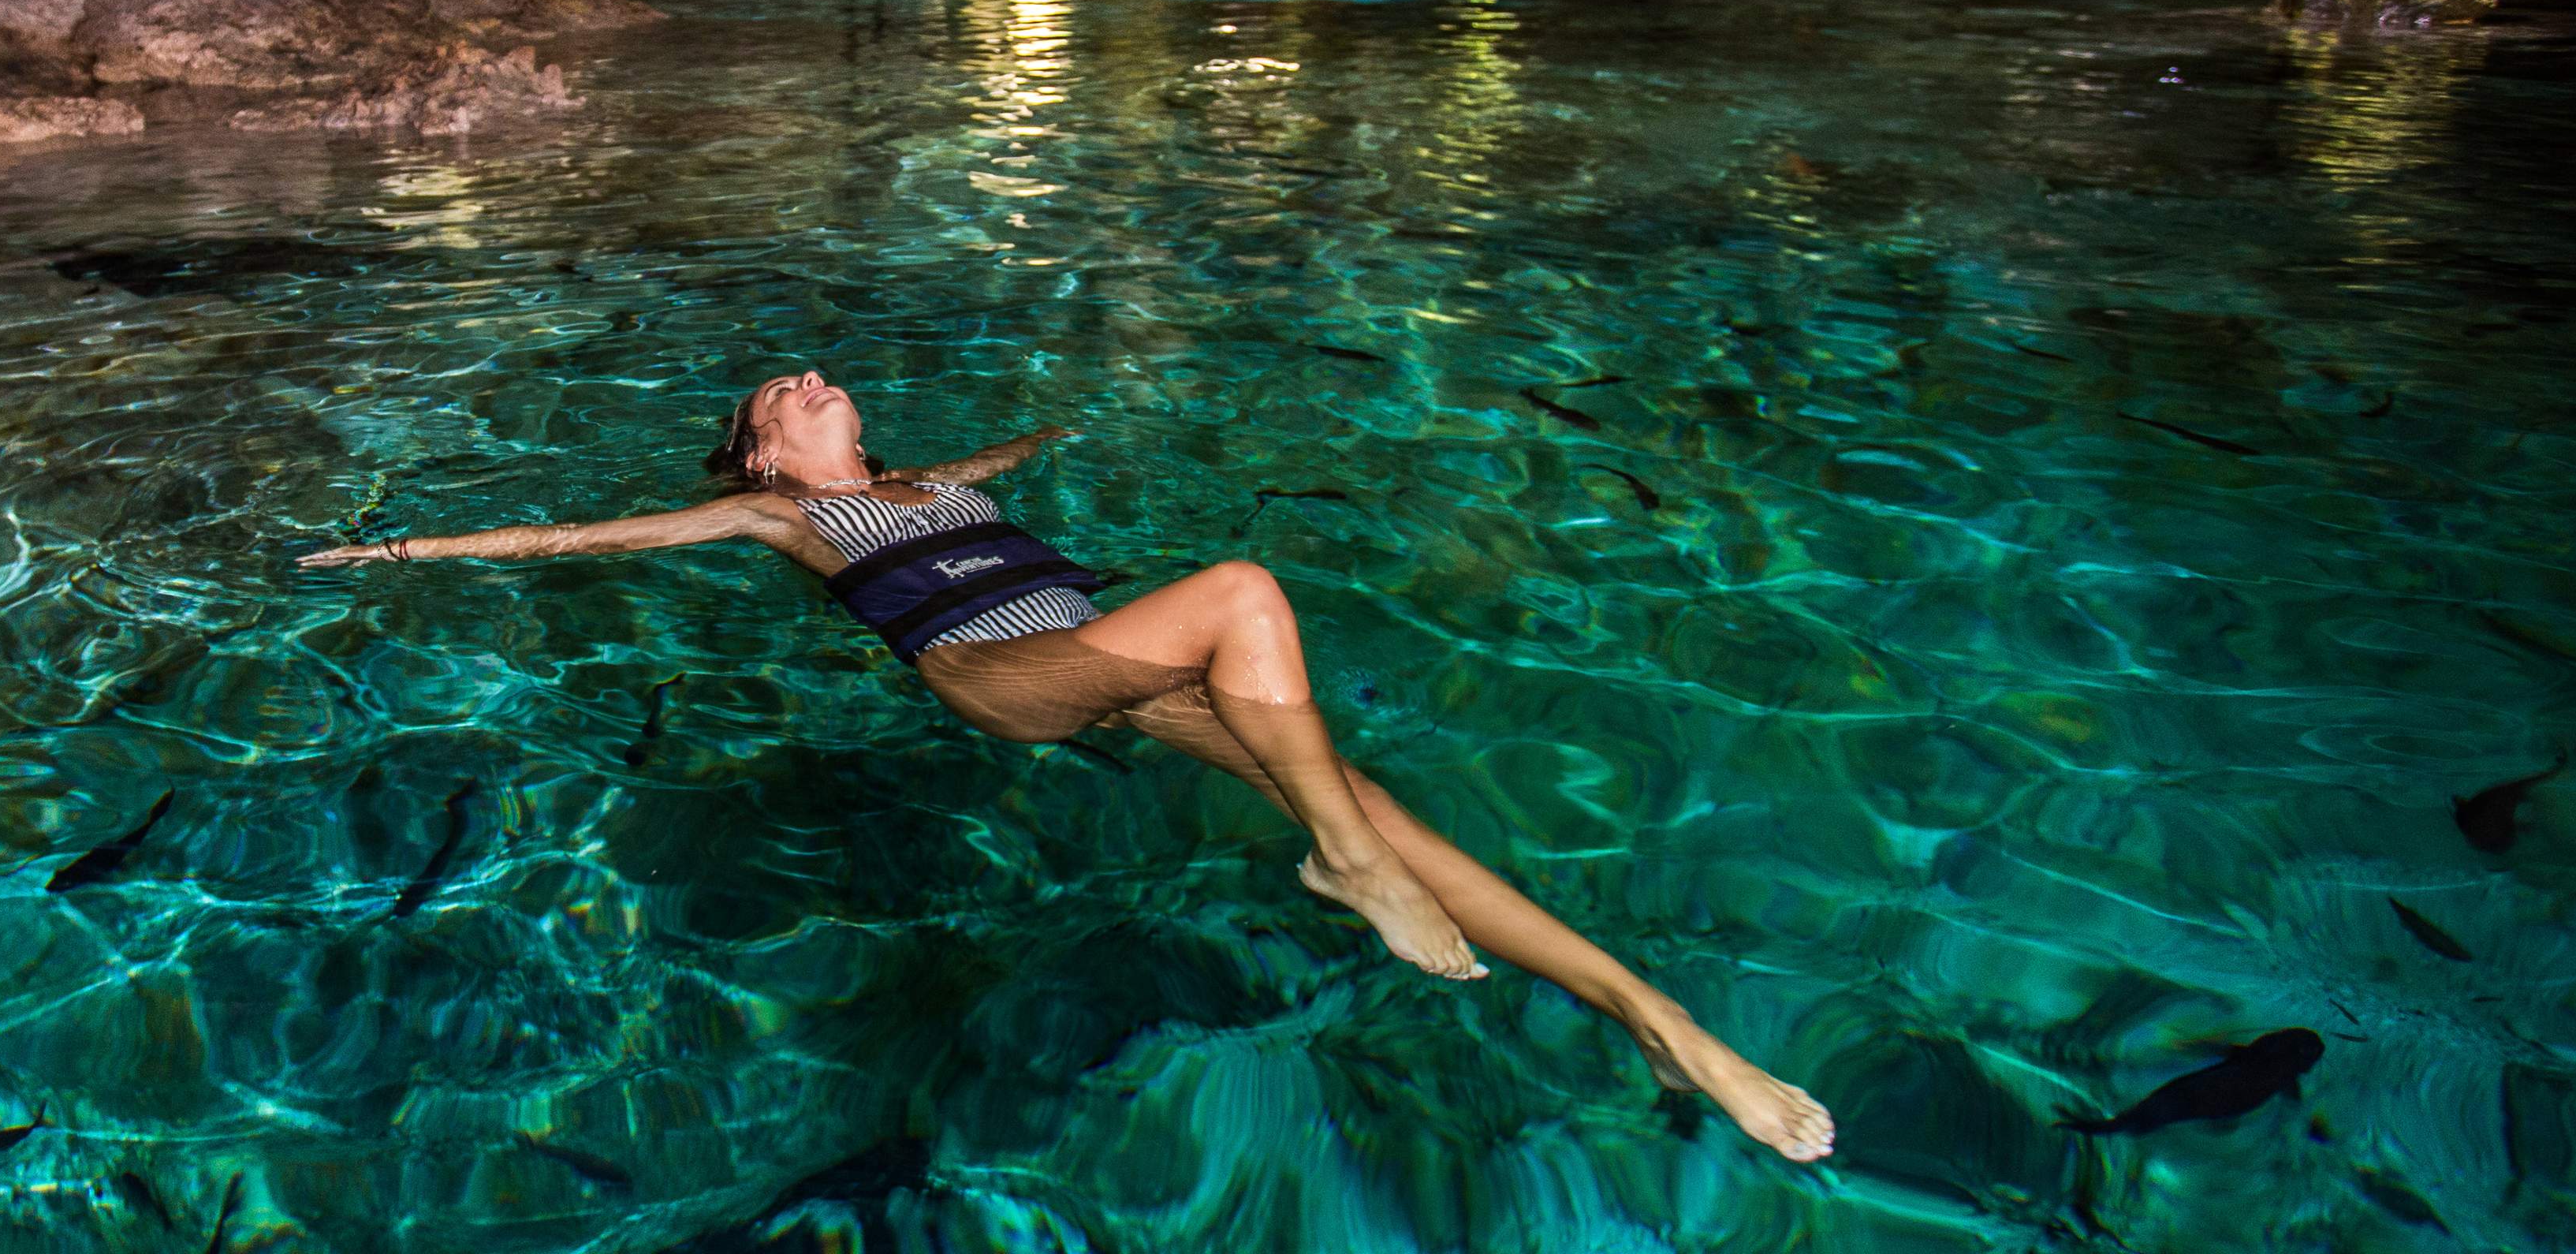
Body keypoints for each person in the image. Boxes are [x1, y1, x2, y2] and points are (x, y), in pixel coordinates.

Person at [300, 368, 1835, 1162]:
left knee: (1385, 803)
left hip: (1113, 664)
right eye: (787, 392)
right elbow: (579, 534)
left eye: (821, 375)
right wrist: (396, 543)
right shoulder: (781, 514)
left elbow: (1030, 450)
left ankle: (1660, 1017)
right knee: (1244, 587)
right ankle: (1342, 862)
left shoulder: (933, 478)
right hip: (1004, 680)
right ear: (761, 452)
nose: (816, 381)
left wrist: (1102, 402)